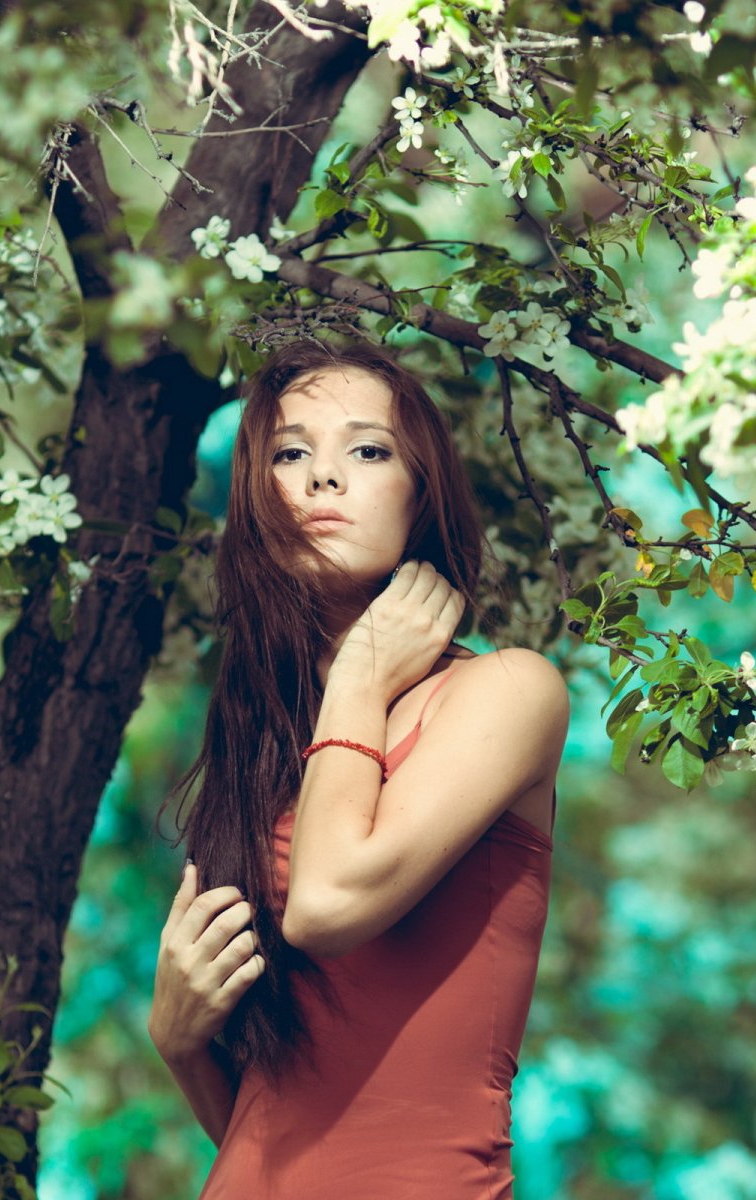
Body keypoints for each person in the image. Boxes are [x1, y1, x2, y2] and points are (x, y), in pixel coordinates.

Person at [148, 338, 571, 1197]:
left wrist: (360, 674)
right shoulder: (260, 752)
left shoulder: (506, 691)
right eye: (290, 453)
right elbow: (275, 1120)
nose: (321, 479)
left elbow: (330, 905)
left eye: (367, 450)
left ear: (421, 499)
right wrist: (179, 1043)